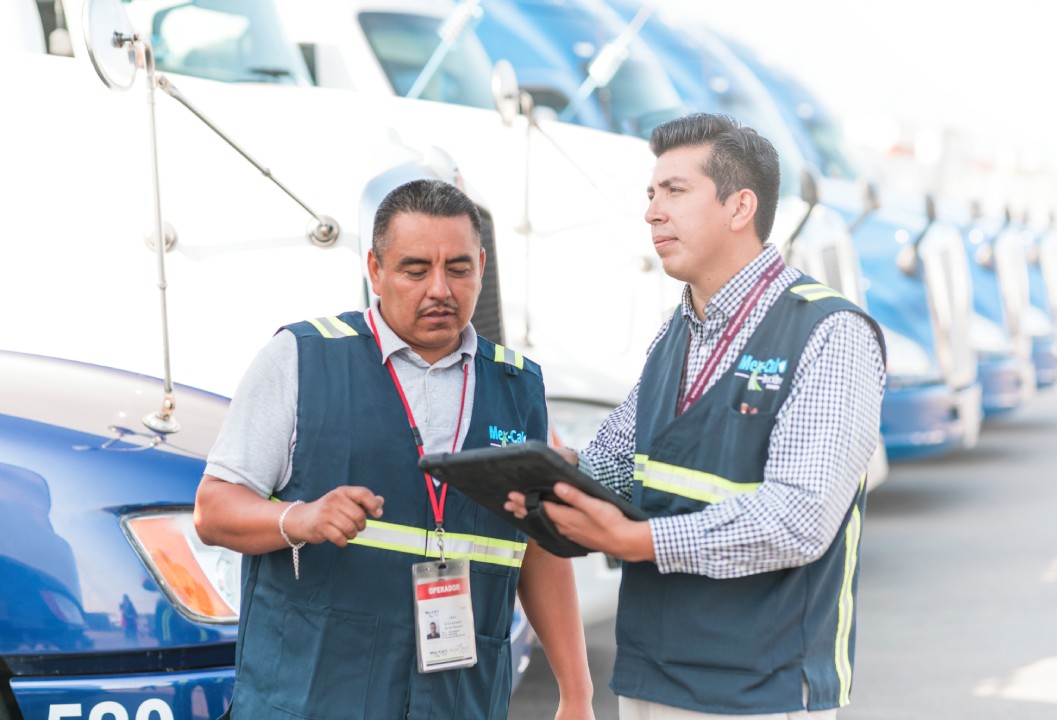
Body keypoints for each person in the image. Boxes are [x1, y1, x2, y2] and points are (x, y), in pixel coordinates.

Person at [507, 113, 886, 719]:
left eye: (675, 191)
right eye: (651, 194)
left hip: (758, 690)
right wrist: (534, 471)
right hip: (649, 675)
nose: (653, 212)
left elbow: (800, 517)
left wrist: (639, 539)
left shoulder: (830, 333)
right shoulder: (677, 333)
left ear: (740, 207)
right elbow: (613, 465)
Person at [195, 179, 594, 720]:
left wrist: (577, 694)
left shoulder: (519, 387)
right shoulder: (300, 358)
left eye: (458, 269)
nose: (440, 289)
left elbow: (538, 549)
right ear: (375, 271)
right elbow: (214, 510)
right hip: (313, 698)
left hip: (458, 701)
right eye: (415, 269)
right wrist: (301, 518)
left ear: (481, 266)